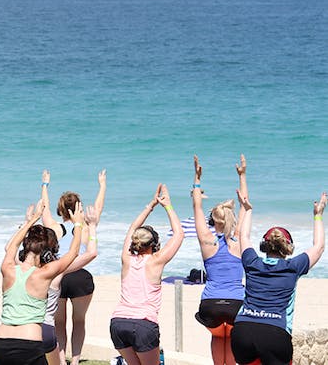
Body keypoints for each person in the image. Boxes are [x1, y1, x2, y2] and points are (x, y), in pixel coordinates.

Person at [231, 189, 326, 365]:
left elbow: (243, 236)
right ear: (288, 247)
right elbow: (319, 246)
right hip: (275, 334)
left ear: (264, 246)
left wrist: (248, 209)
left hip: (243, 330)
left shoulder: (252, 262)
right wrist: (318, 215)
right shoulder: (293, 267)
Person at [0, 199, 85, 365]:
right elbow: (73, 252)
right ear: (47, 255)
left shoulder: (8, 268)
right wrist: (78, 225)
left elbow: (12, 245)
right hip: (29, 343)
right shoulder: (44, 274)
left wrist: (32, 220)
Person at [109, 184, 184, 365]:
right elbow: (179, 234)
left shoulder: (126, 258)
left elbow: (132, 227)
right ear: (154, 244)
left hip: (118, 323)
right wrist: (168, 206)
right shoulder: (156, 261)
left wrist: (150, 206)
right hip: (143, 324)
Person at [41, 168, 106, 365]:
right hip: (80, 276)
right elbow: (98, 208)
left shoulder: (53, 227)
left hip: (58, 275)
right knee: (79, 321)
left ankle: (60, 360)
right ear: (79, 207)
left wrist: (45, 185)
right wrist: (102, 185)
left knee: (59, 322)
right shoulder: (86, 226)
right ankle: (75, 361)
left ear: (61, 210)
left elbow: (44, 208)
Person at [192, 155, 247, 365]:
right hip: (236, 302)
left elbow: (196, 207)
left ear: (213, 219)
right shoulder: (240, 240)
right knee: (231, 337)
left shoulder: (206, 240)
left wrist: (197, 179)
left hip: (211, 303)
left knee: (217, 336)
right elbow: (245, 206)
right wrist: (242, 176)